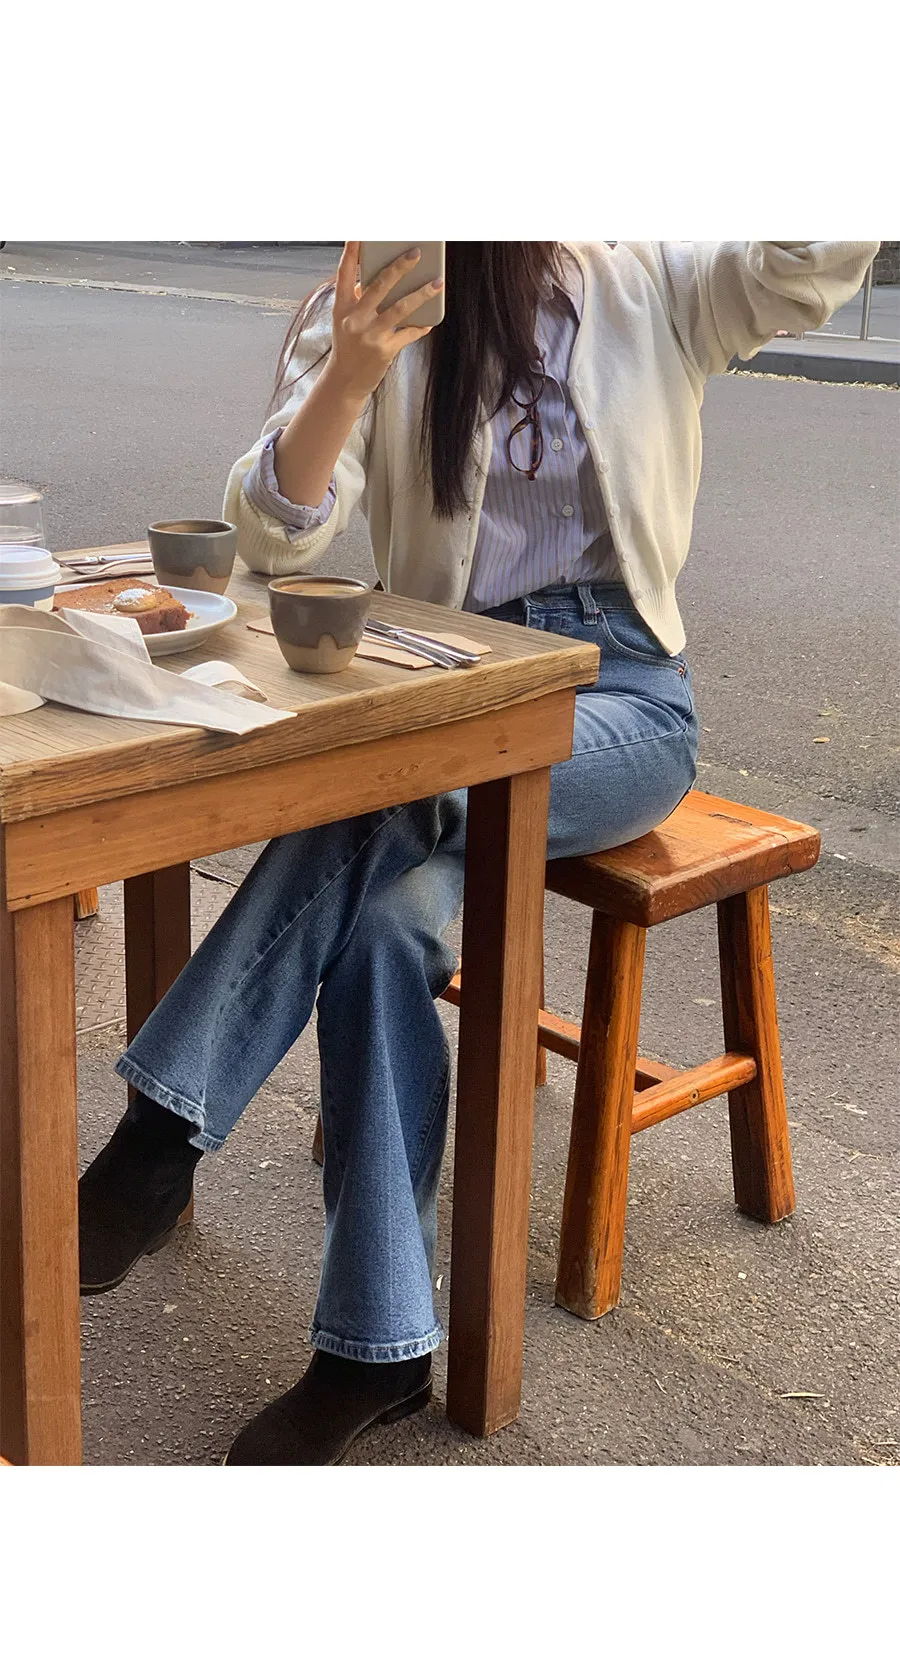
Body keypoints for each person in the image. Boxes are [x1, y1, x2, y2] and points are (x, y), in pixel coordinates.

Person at [78, 239, 879, 1465]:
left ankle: (158, 1137)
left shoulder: (651, 279)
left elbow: (810, 261)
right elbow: (270, 539)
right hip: (454, 689)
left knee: (380, 786)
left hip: (624, 707)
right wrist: (352, 369)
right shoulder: (387, 297)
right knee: (383, 926)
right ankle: (378, 1344)